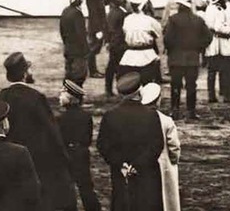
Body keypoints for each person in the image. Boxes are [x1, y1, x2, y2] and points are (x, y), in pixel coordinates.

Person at [0, 52, 76, 211]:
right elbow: (51, 130)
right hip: (35, 161)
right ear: (24, 74)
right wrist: (64, 157)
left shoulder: (0, 97)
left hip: (7, 160)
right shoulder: (36, 97)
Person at [96, 73, 164, 211]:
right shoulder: (151, 115)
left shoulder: (110, 115)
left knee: (122, 202)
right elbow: (156, 145)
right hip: (146, 172)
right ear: (139, 92)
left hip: (120, 172)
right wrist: (137, 165)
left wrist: (121, 164)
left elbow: (103, 145)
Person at [56, 80, 101, 211]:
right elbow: (88, 138)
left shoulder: (60, 118)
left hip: (66, 154)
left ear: (70, 97)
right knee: (86, 187)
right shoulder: (86, 116)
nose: (59, 96)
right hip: (81, 153)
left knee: (66, 188)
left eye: (62, 93)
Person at [163, 0, 208, 120]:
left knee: (175, 85)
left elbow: (167, 39)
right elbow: (208, 37)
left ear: (180, 6)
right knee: (191, 85)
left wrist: (171, 49)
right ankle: (191, 111)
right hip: (192, 57)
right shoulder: (198, 20)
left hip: (176, 58)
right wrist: (199, 47)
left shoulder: (173, 19)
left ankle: (175, 110)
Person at [138, 85, 179, 211]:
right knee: (166, 198)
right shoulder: (166, 120)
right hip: (163, 163)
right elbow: (174, 145)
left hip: (141, 163)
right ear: (158, 100)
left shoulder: (137, 119)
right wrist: (174, 159)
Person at [119, 0, 164, 87]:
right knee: (148, 84)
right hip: (147, 55)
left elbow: (124, 33)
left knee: (132, 85)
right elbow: (158, 34)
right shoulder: (150, 21)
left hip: (129, 55)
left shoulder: (127, 20)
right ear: (145, 6)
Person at [60, 0, 90, 86]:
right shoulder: (77, 13)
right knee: (79, 75)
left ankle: (66, 92)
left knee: (68, 74)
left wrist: (66, 43)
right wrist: (86, 49)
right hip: (78, 50)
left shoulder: (65, 11)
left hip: (68, 47)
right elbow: (81, 33)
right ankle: (76, 93)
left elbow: (61, 30)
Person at [104, 0, 128, 98]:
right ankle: (120, 89)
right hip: (119, 43)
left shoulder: (111, 13)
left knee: (112, 66)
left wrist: (108, 41)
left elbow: (108, 29)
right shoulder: (120, 13)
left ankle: (109, 89)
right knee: (119, 67)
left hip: (113, 42)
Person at [86, 0, 107, 79]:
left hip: (96, 26)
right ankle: (92, 71)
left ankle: (92, 70)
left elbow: (100, 4)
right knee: (93, 48)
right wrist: (98, 29)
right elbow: (94, 14)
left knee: (94, 48)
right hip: (96, 27)